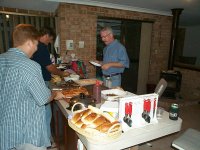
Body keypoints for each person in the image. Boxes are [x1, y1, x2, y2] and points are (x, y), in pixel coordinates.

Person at [0, 24, 63, 150]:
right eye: (35, 44)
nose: (35, 49)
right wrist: (55, 94)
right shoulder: (30, 66)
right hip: (27, 133)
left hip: (5, 130)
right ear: (29, 43)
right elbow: (43, 98)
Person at [31, 27, 69, 143]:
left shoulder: (36, 46)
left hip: (38, 82)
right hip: (42, 83)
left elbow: (46, 66)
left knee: (42, 112)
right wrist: (62, 73)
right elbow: (49, 67)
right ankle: (46, 140)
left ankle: (45, 137)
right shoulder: (42, 47)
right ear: (46, 35)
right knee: (46, 113)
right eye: (50, 39)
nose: (50, 42)